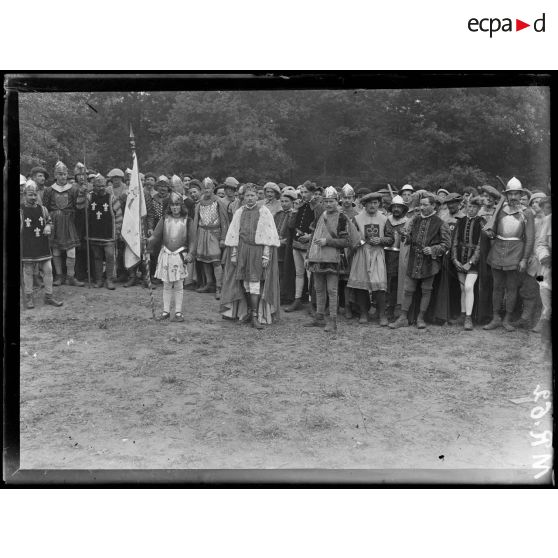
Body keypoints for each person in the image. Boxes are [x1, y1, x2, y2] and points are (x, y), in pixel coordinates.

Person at [221, 183, 281, 329]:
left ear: (257, 196)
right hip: (242, 250)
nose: (249, 198)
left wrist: (266, 255)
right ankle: (248, 311)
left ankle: (255, 315)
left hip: (257, 251)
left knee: (255, 283)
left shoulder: (263, 211)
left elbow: (268, 234)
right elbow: (235, 232)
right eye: (247, 195)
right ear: (243, 197)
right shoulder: (239, 211)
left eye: (252, 195)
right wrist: (234, 253)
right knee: (245, 283)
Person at [390, 193, 451, 329]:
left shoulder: (441, 223)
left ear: (433, 205)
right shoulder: (414, 220)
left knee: (426, 290)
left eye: (425, 205)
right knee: (408, 289)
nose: (422, 207)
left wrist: (434, 249)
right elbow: (409, 239)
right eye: (421, 205)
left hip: (430, 264)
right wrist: (405, 236)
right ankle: (403, 318)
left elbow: (447, 244)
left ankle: (420, 318)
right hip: (413, 261)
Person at [483, 177, 535, 332]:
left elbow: (530, 238)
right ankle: (495, 317)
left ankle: (507, 319)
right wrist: (491, 233)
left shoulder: (527, 213)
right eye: (510, 194)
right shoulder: (500, 210)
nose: (513, 197)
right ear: (507, 195)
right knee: (497, 287)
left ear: (520, 195)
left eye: (516, 194)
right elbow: (493, 230)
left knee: (512, 288)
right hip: (498, 250)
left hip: (516, 252)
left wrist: (524, 259)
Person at [304, 186, 354, 332]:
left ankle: (332, 320)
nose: (328, 204)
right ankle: (319, 317)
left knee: (332, 290)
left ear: (336, 201)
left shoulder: (342, 218)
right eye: (326, 201)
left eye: (331, 201)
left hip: (333, 259)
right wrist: (308, 256)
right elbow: (313, 237)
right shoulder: (322, 215)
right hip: (317, 258)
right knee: (318, 289)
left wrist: (328, 242)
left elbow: (346, 242)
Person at [347, 192, 394, 325]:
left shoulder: (385, 219)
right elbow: (350, 238)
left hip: (377, 253)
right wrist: (358, 241)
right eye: (369, 203)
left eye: (375, 203)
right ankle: (363, 313)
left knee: (379, 285)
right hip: (362, 252)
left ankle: (382, 315)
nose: (372, 206)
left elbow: (391, 238)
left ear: (379, 204)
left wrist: (380, 239)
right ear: (364, 205)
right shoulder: (357, 219)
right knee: (361, 283)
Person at [148, 192, 195, 322]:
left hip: (180, 254)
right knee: (167, 284)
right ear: (169, 206)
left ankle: (178, 312)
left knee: (179, 284)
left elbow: (192, 240)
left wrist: (191, 253)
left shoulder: (188, 220)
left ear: (181, 206)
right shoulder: (165, 219)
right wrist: (147, 242)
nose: (175, 208)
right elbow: (156, 236)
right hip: (166, 254)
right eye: (172, 205)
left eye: (177, 205)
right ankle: (166, 311)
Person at [41, 161, 87, 286]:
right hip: (54, 222)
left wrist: (83, 193)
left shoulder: (74, 189)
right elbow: (45, 208)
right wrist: (47, 223)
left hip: (69, 222)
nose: (63, 176)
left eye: (65, 174)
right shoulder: (49, 190)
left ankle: (70, 277)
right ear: (55, 175)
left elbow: (79, 207)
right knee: (56, 250)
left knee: (71, 251)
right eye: (60, 174)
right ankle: (59, 276)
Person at [20, 180, 63, 309]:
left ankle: (49, 296)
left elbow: (50, 222)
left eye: (35, 194)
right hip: (27, 245)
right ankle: (28, 297)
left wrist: (49, 226)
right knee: (28, 271)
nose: (33, 197)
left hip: (42, 244)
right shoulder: (21, 211)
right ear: (24, 195)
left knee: (48, 269)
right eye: (30, 195)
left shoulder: (43, 209)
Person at [284, 181, 323, 312]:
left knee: (310, 275)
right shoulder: (299, 205)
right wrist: (294, 211)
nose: (303, 194)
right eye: (302, 192)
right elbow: (290, 225)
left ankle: (312, 304)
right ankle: (297, 300)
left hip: (310, 246)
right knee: (299, 273)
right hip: (296, 243)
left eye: (306, 192)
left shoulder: (318, 207)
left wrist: (310, 236)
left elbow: (320, 227)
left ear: (312, 192)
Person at [191, 177, 230, 298]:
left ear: (213, 188)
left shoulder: (219, 201)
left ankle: (219, 286)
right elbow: (197, 220)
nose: (207, 190)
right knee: (204, 259)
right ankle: (209, 283)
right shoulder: (200, 202)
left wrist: (223, 238)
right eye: (204, 188)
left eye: (209, 187)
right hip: (202, 232)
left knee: (215, 261)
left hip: (215, 233)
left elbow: (224, 220)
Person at [431, 192, 465, 325]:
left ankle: (456, 312)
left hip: (457, 255)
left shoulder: (463, 218)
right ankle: (442, 313)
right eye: (449, 203)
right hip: (443, 254)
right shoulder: (442, 217)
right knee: (442, 284)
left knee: (457, 284)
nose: (451, 205)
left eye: (454, 203)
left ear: (459, 204)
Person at [451, 196, 484, 330]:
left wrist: (471, 262)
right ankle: (462, 314)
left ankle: (469, 318)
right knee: (462, 288)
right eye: (469, 206)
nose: (471, 209)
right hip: (460, 258)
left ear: (478, 208)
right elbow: (454, 242)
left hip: (473, 261)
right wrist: (454, 259)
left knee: (469, 287)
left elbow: (481, 245)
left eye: (474, 207)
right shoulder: (461, 221)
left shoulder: (481, 222)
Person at [86, 174, 123, 289]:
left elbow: (119, 216)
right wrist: (82, 193)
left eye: (103, 186)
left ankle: (109, 280)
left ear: (106, 185)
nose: (101, 188)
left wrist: (117, 231)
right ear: (93, 186)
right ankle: (98, 280)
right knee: (97, 257)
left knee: (110, 256)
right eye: (98, 186)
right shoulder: (89, 197)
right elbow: (81, 209)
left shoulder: (112, 198)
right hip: (94, 234)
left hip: (108, 234)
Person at [475, 184, 501, 324]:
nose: (488, 199)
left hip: (495, 249)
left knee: (493, 282)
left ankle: (492, 314)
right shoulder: (478, 213)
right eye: (485, 196)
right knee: (481, 282)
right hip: (480, 251)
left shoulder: (498, 213)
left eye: (492, 198)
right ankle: (480, 314)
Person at [384, 195, 410, 322]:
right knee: (384, 282)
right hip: (385, 254)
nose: (396, 209)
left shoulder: (407, 222)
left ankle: (394, 308)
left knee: (395, 283)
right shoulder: (386, 220)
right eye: (394, 206)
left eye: (399, 207)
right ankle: (383, 308)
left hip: (399, 256)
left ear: (403, 209)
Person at [274, 187, 297, 305]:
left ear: (292, 202)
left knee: (287, 272)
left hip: (288, 248)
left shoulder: (294, 214)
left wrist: (286, 241)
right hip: (277, 247)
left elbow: (294, 232)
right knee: (278, 272)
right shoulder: (278, 214)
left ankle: (287, 296)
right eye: (282, 201)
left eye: (286, 201)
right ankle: (278, 294)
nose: (284, 204)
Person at [534, 207, 551, 356]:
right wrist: (544, 257)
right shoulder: (547, 220)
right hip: (544, 270)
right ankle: (545, 349)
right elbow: (541, 243)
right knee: (548, 310)